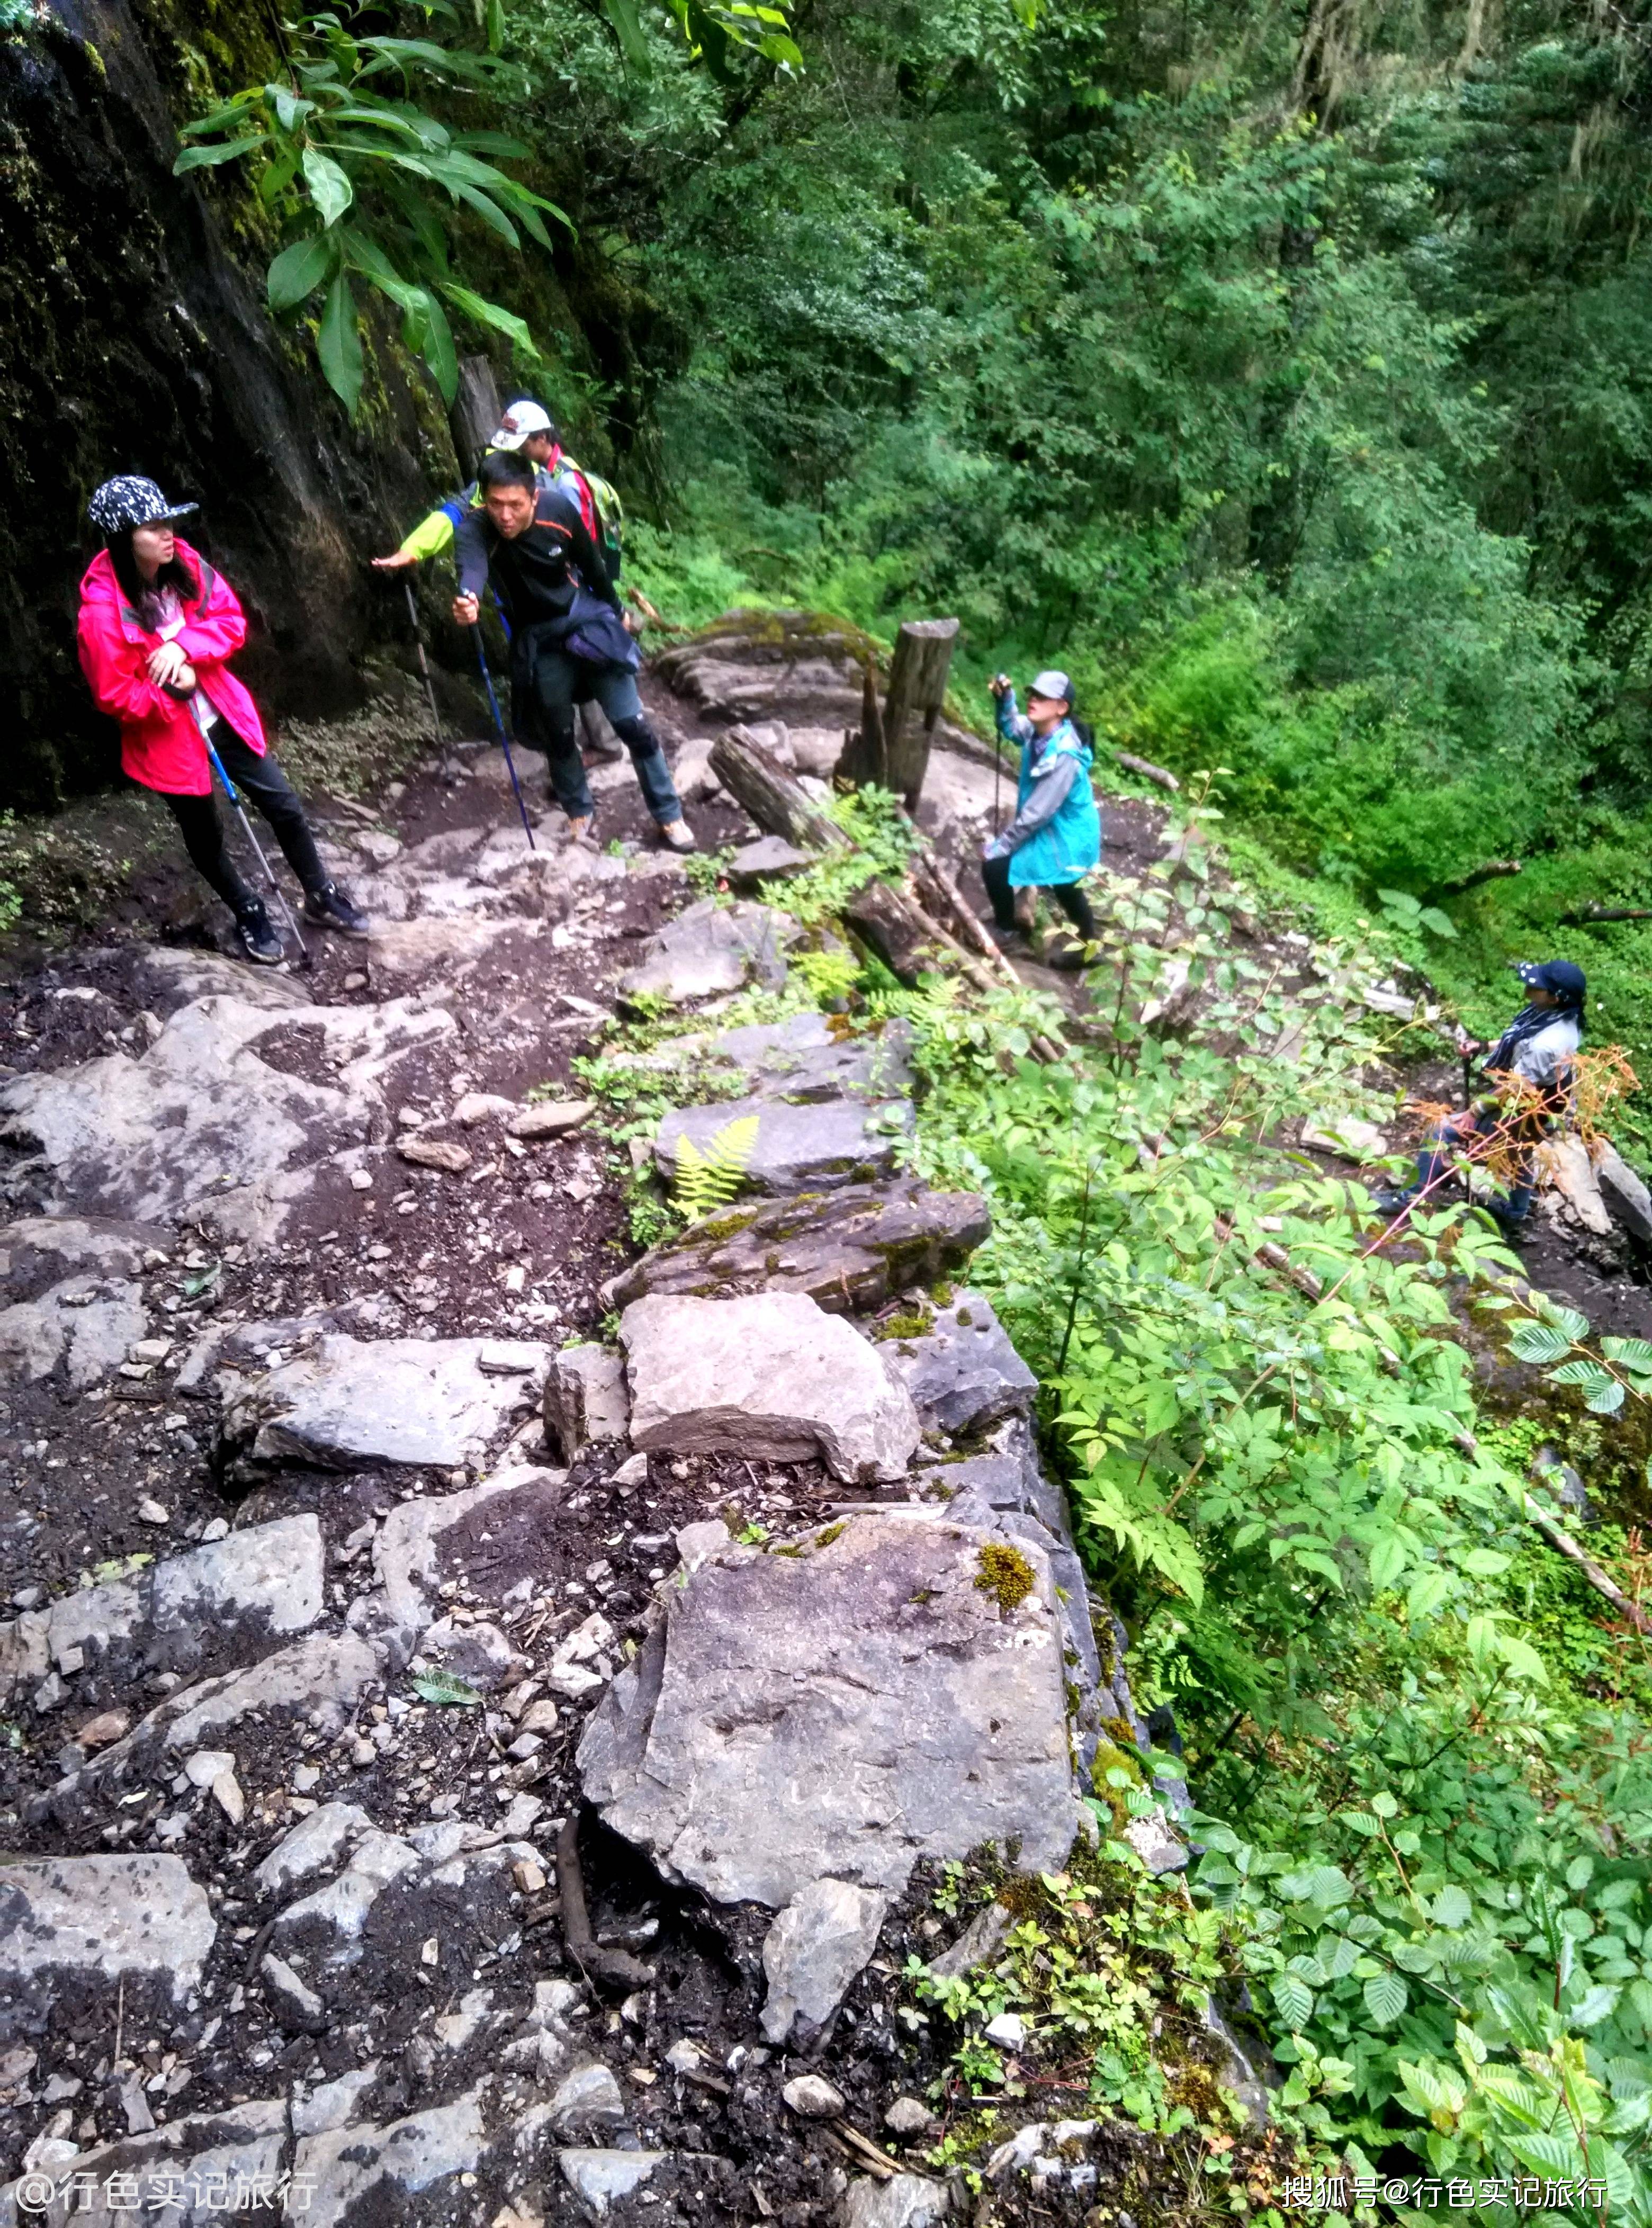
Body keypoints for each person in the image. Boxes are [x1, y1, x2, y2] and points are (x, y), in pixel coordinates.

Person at [77, 475, 367, 965]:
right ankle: (248, 908)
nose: (169, 533)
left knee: (284, 805)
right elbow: (115, 695)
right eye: (154, 526)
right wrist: (176, 691)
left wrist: (182, 647)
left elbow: (230, 621)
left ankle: (319, 892)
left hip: (222, 714)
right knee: (206, 836)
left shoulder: (185, 564)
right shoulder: (102, 617)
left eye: (169, 521)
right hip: (168, 738)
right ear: (125, 538)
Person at [452, 451, 695, 851]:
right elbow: (472, 571)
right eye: (495, 504)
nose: (505, 516)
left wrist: (618, 614)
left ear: (533, 498)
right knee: (559, 735)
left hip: (586, 620)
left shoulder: (559, 511)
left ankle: (670, 815)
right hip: (540, 639)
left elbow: (593, 566)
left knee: (633, 725)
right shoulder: (477, 530)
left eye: (515, 505)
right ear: (484, 500)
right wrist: (468, 600)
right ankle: (579, 813)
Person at [1373, 959, 1587, 1234]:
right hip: (1547, 1098)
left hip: (1525, 1104)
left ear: (1556, 997)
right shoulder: (1563, 1017)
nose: (1528, 989)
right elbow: (1522, 1041)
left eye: (1537, 987)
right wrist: (1484, 1046)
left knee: (1442, 1130)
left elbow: (1515, 1086)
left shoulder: (1548, 1043)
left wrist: (1474, 1112)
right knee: (1519, 1151)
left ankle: (1409, 1199)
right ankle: (1516, 1211)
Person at [372, 399, 624, 579]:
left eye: (521, 445)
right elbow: (460, 507)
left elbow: (584, 545)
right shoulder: (518, 475)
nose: (514, 452)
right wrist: (413, 549)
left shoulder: (567, 480)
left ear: (542, 438)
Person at [982, 669, 1101, 967]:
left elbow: (1040, 811)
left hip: (1068, 833)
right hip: (1057, 827)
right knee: (1066, 886)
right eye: (1032, 694)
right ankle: (1090, 945)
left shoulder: (1065, 754)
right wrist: (1005, 698)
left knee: (997, 865)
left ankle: (1009, 932)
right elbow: (1010, 726)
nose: (1034, 700)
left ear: (1062, 708)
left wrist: (1005, 843)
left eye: (1043, 697)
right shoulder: (1040, 733)